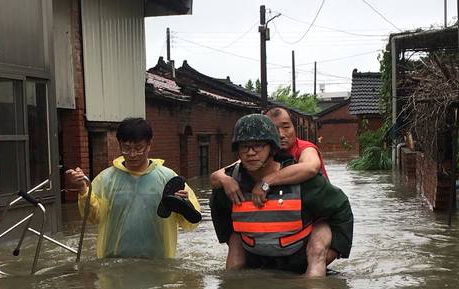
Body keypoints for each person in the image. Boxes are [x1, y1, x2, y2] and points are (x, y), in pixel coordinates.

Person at [210, 114, 353, 276]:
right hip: (256, 255)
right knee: (235, 246)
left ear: (272, 148)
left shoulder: (302, 179)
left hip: (300, 254)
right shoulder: (230, 183)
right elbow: (219, 211)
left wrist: (334, 250)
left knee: (318, 251)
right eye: (244, 147)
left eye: (258, 146)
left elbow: (341, 209)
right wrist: (231, 241)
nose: (250, 153)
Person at [65, 117, 201, 259]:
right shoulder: (106, 179)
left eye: (138, 148)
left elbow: (191, 222)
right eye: (126, 148)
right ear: (119, 145)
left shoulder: (168, 178)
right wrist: (82, 189)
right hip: (114, 262)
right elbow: (93, 217)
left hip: (158, 263)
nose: (132, 154)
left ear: (149, 145)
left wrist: (185, 204)